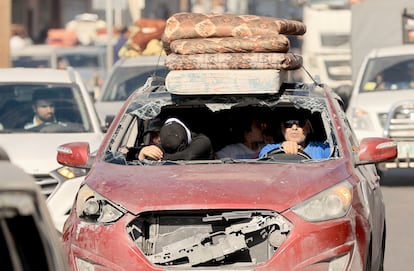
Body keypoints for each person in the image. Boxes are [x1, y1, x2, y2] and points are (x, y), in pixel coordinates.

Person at [131, 117, 213, 161]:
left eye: (158, 135)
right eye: (153, 136)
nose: (158, 140)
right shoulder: (165, 145)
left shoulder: (202, 141)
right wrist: (141, 154)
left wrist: (160, 159)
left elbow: (187, 156)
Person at [259, 117, 331, 159]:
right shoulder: (268, 149)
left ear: (308, 128)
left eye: (300, 123)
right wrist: (282, 148)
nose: (294, 128)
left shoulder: (323, 149)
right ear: (283, 129)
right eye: (288, 124)